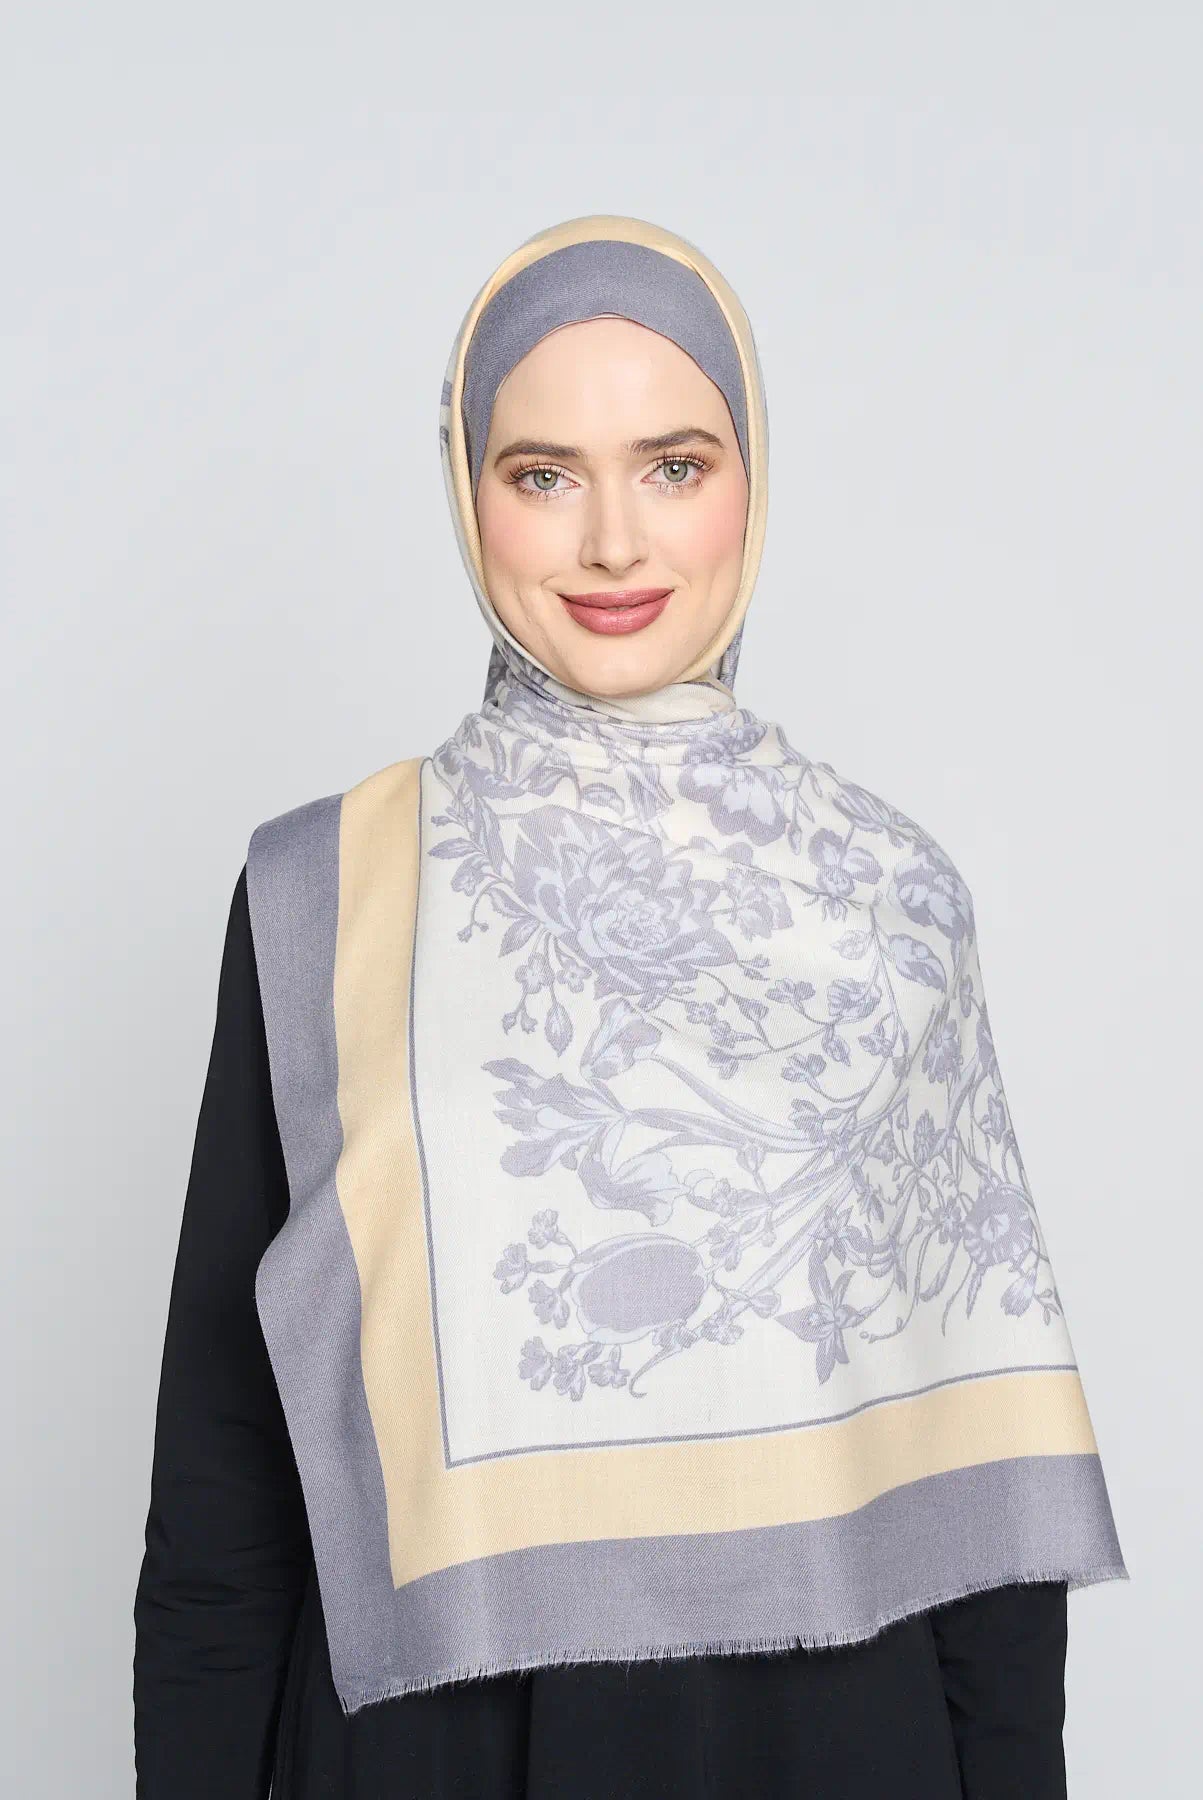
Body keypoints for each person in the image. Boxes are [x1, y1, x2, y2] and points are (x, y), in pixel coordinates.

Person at [133, 215, 1127, 1799]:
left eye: (674, 465)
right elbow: (226, 1488)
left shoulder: (890, 907)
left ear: (752, 482)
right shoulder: (328, 900)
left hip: (825, 1752)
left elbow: (976, 1513)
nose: (612, 542)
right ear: (465, 489)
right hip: (429, 1758)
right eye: (543, 474)